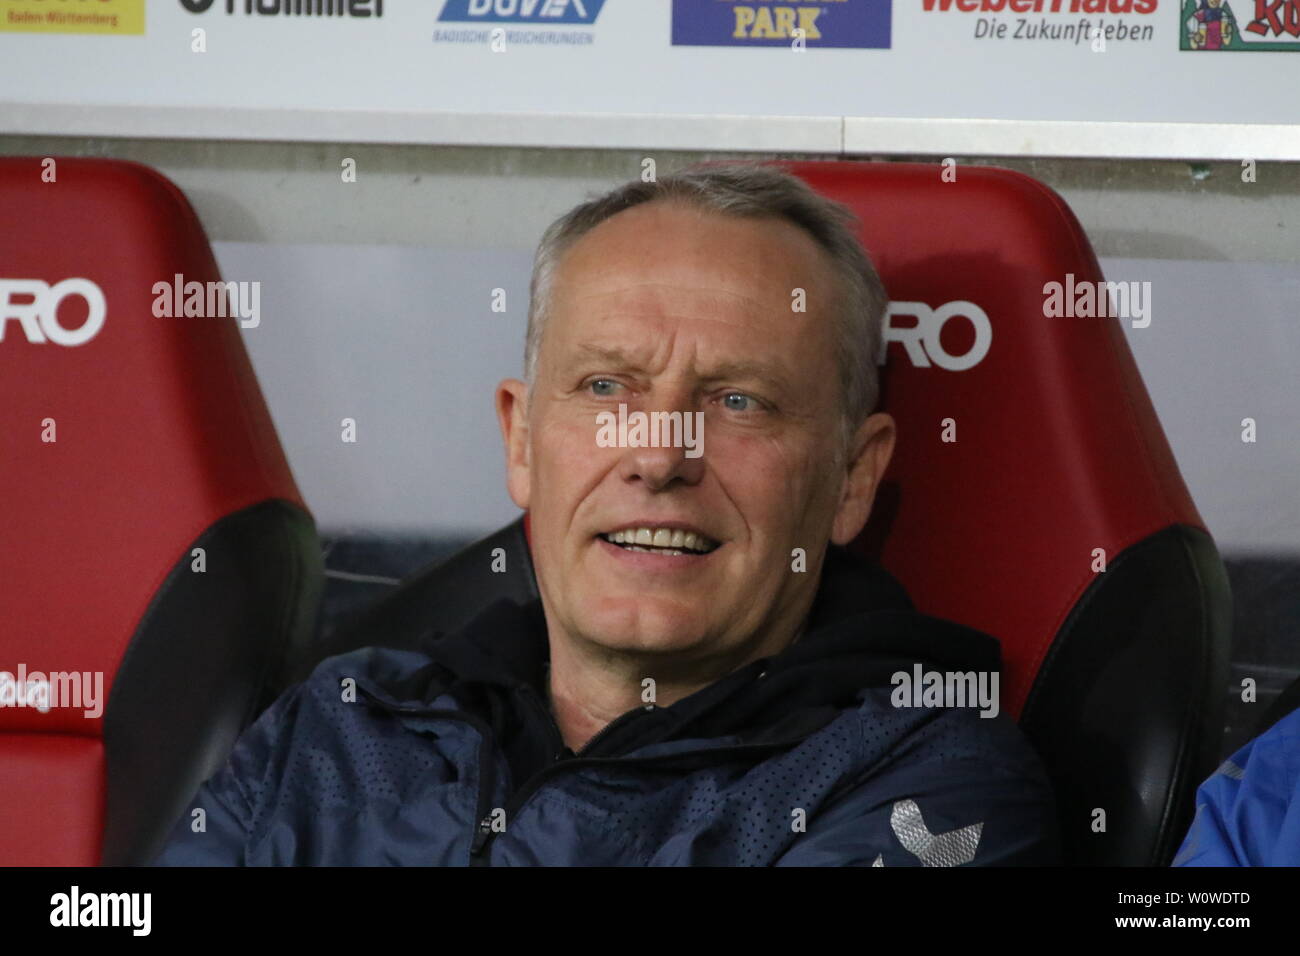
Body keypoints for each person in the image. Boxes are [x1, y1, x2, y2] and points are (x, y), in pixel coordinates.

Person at [155, 163, 1059, 866]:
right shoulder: (340, 724)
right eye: (605, 386)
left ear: (853, 478)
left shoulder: (933, 791)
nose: (661, 454)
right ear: (520, 441)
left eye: (739, 401)